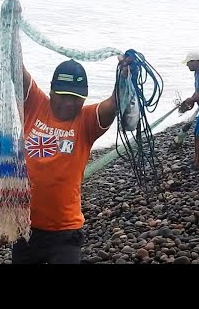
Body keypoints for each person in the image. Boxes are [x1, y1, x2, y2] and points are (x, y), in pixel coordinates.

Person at [10, 56, 127, 264]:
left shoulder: (86, 120)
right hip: (24, 227)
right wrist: (10, 29)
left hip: (65, 232)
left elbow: (115, 102)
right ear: (51, 91)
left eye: (76, 98)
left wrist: (125, 75)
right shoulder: (34, 103)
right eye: (62, 96)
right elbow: (16, 68)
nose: (69, 103)